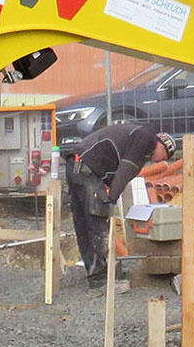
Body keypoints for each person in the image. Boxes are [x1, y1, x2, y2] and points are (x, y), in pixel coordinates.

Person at [64, 115, 166, 288]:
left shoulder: (134, 135)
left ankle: (95, 273)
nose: (161, 161)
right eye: (164, 156)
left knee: (83, 222)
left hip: (75, 164)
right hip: (87, 167)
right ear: (163, 145)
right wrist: (110, 200)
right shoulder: (146, 139)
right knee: (97, 222)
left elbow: (116, 171)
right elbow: (126, 169)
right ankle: (102, 279)